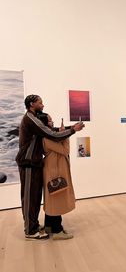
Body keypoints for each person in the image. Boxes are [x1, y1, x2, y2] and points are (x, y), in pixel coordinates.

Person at [16, 94, 85, 240]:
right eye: (40, 102)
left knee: (35, 197)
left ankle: (34, 225)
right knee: (29, 198)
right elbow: (51, 134)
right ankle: (30, 230)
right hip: (28, 162)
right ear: (32, 103)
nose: (43, 104)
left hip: (35, 163)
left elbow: (51, 130)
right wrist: (73, 130)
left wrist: (70, 128)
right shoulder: (31, 118)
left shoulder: (36, 120)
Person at [37, 112, 76, 240]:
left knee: (53, 199)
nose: (52, 122)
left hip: (54, 168)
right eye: (49, 121)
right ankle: (58, 230)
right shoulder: (47, 138)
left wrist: (62, 134)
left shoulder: (48, 136)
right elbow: (65, 150)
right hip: (55, 170)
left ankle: (49, 227)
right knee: (56, 199)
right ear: (43, 124)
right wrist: (66, 136)